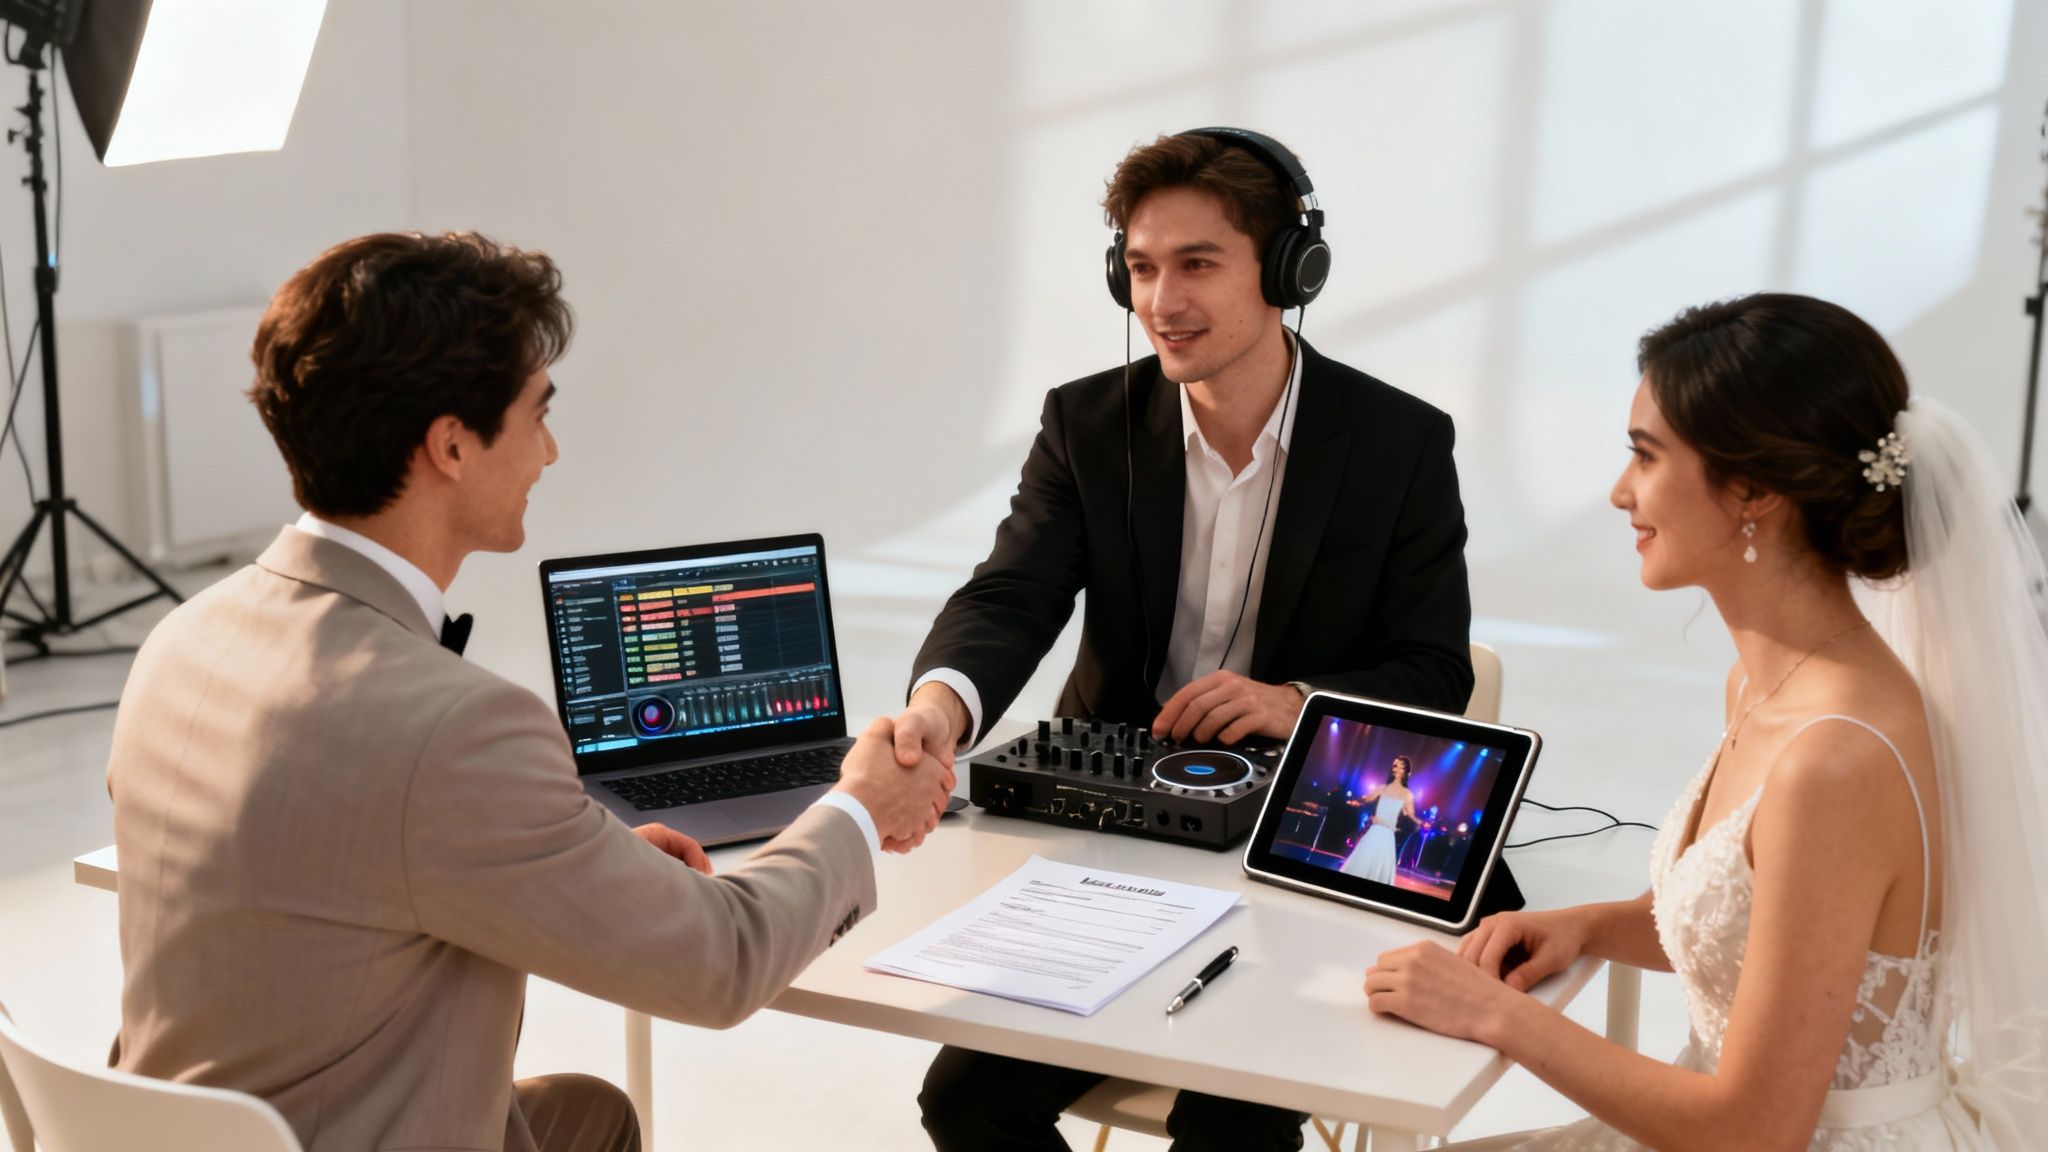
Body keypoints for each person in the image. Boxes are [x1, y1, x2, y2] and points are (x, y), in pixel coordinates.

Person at [104, 232, 955, 1152]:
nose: (549, 451)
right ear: (453, 446)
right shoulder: (455, 729)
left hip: (176, 1130)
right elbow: (723, 962)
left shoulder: (181, 641)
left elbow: (346, 858)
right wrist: (863, 805)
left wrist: (563, 848)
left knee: (591, 1115)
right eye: (535, 414)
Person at [1363, 293, 2048, 1148]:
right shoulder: (1761, 687)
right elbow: (1763, 930)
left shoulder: (1832, 762)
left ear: (1754, 488)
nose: (1619, 493)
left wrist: (1494, 1014)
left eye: (1645, 457)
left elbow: (1757, 1128)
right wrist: (1589, 924)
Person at [904, 128, 1475, 1152]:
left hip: (1297, 846)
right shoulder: (1083, 424)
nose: (1159, 300)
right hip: (1110, 843)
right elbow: (1010, 594)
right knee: (964, 1100)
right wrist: (936, 707)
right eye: (1138, 267)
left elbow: (1432, 672)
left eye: (1197, 264)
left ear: (1291, 270)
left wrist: (1291, 701)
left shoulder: (1399, 444)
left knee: (1232, 1123)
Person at [1340, 756, 1415, 884]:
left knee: (1380, 864)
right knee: (1364, 857)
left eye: (1400, 766)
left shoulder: (1406, 795)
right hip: (1375, 829)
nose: (1395, 768)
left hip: (1388, 832)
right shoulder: (1383, 788)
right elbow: (1370, 802)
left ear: (1405, 771)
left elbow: (1407, 817)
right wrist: (1361, 803)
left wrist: (1397, 826)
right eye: (1394, 765)